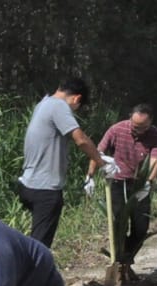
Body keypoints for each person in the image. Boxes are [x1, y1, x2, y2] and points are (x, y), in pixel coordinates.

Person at [16, 77, 117, 248]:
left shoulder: (43, 103)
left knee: (36, 241)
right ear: (77, 98)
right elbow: (81, 140)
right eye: (77, 107)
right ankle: (32, 274)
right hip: (45, 189)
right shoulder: (59, 106)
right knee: (39, 247)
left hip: (28, 184)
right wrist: (102, 163)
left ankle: (32, 272)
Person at [86, 103, 157, 279]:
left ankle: (126, 260)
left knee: (141, 227)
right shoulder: (116, 130)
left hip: (139, 186)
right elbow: (97, 151)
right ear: (130, 117)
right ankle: (119, 263)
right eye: (134, 125)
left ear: (150, 123)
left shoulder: (156, 136)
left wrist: (149, 181)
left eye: (142, 127)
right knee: (117, 224)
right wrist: (90, 176)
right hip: (117, 182)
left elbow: (155, 160)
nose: (137, 130)